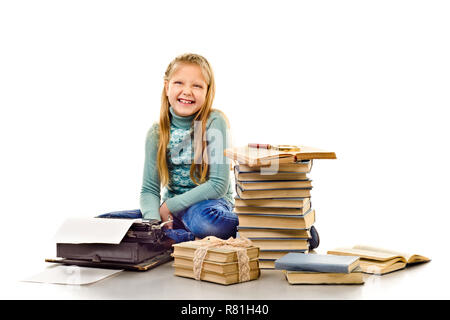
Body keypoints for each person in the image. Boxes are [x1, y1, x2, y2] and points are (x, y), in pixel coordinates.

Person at [98, 53, 320, 249]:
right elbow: (148, 190)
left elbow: (217, 184)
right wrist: (154, 223)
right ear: (167, 87)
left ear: (207, 91)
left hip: (209, 206)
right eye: (179, 83)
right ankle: (173, 236)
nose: (187, 91)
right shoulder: (157, 133)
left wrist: (170, 206)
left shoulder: (214, 121)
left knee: (206, 222)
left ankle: (289, 229)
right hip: (172, 215)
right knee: (104, 222)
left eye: (197, 85)